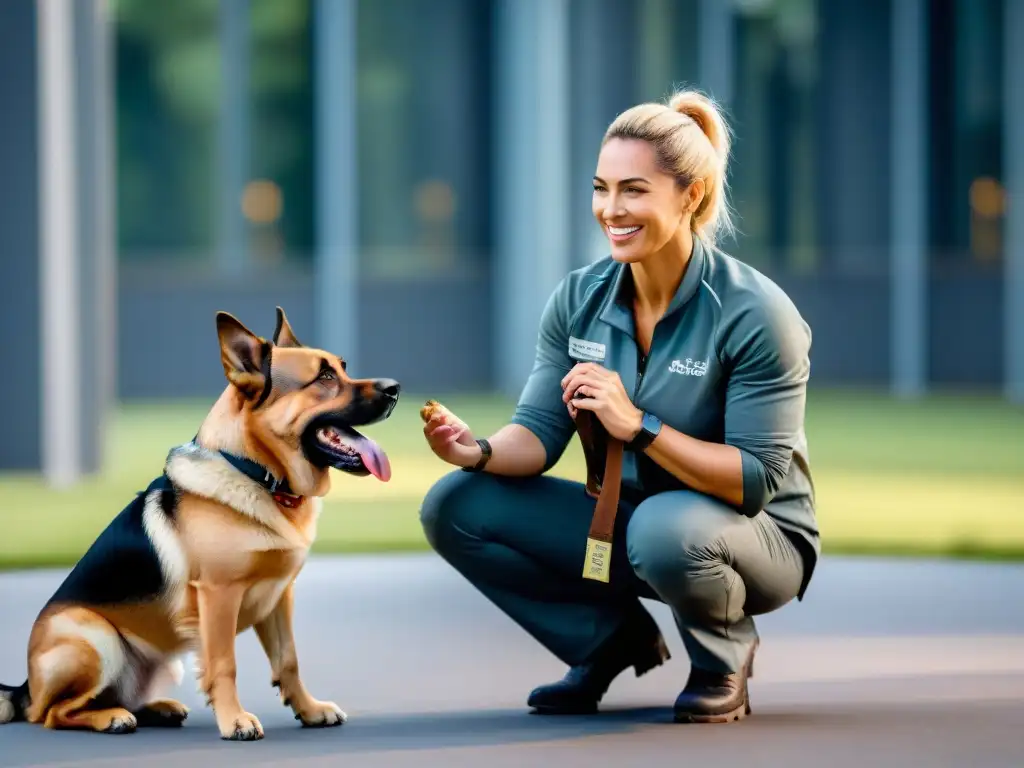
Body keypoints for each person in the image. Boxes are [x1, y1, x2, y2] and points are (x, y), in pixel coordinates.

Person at [418, 88, 817, 724]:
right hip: (626, 524)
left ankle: (723, 658)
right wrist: (480, 450)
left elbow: (755, 480)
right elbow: (539, 433)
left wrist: (639, 426)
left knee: (664, 527)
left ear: (690, 196)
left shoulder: (756, 314)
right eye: (601, 188)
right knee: (457, 502)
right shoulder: (579, 298)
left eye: (634, 190)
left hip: (756, 539)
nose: (611, 209)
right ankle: (606, 641)